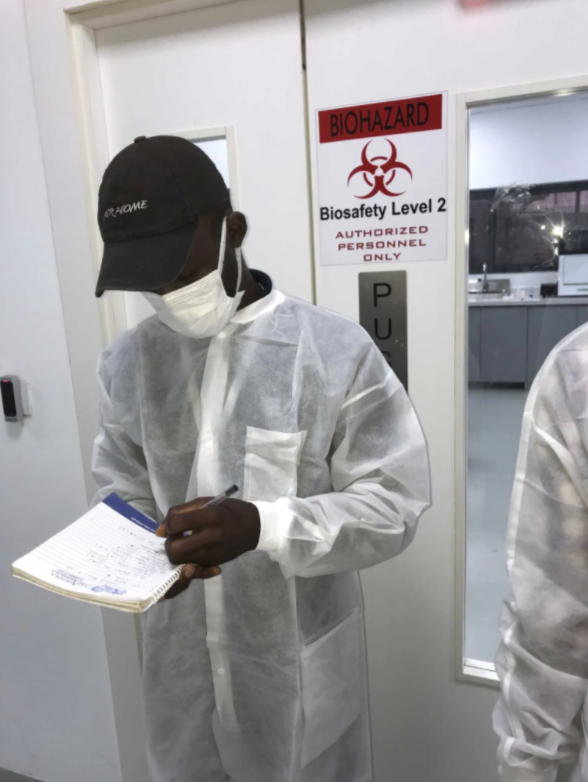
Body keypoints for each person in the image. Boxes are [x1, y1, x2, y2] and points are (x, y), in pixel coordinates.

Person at [91, 134, 431, 782]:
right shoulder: (129, 362)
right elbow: (120, 486)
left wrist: (265, 525)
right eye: (152, 282)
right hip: (182, 678)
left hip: (295, 677)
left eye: (183, 273)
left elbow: (393, 501)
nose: (168, 292)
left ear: (234, 231)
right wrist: (141, 558)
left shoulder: (333, 351)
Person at [494, 322, 588, 782]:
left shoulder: (578, 370)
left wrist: (528, 764)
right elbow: (555, 607)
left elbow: (554, 610)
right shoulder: (577, 373)